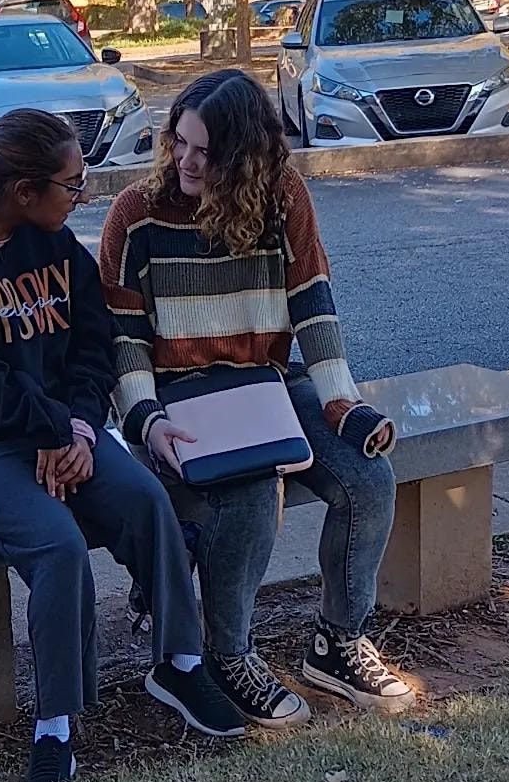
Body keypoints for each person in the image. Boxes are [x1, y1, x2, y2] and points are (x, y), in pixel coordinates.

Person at [0, 109, 244, 782]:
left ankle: (179, 662)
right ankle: (55, 725)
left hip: (59, 432)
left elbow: (94, 348)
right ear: (23, 191)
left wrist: (81, 431)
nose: (81, 195)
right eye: (71, 184)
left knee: (146, 500)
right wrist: (53, 430)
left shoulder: (57, 245)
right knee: (57, 544)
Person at [99, 68, 416, 731]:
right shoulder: (136, 213)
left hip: (263, 385)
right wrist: (145, 421)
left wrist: (342, 405)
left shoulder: (283, 198)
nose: (186, 161)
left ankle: (337, 643)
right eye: (179, 142)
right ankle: (227, 657)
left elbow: (313, 307)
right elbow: (122, 340)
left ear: (245, 159)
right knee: (249, 493)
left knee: (369, 478)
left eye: (206, 152)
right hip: (173, 400)